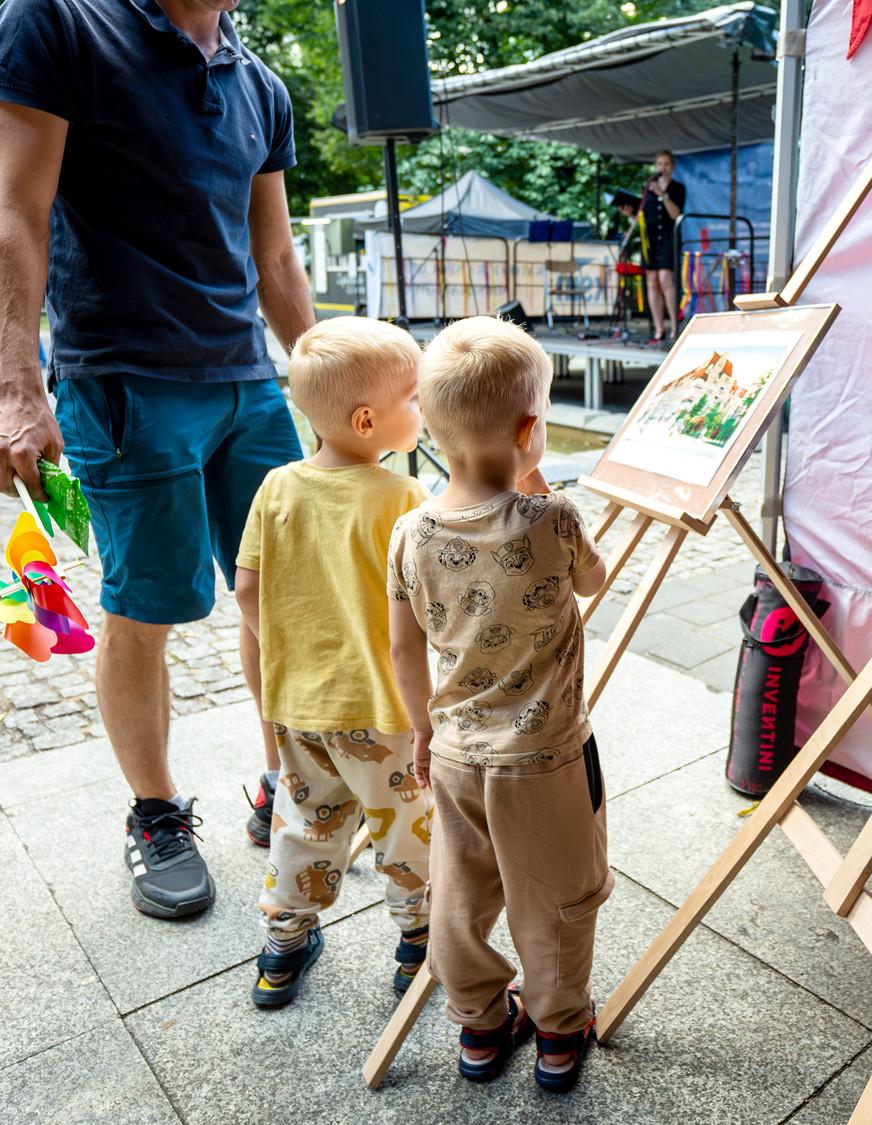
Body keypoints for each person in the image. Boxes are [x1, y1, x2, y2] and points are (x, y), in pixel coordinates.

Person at [0, 0, 314, 921]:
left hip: (246, 387)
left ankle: (286, 779)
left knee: (281, 595)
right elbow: (13, 212)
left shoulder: (261, 86)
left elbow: (273, 253)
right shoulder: (58, 22)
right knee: (146, 607)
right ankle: (156, 811)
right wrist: (15, 389)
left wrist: (327, 379)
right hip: (122, 382)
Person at [387, 318, 610, 1092]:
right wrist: (537, 482)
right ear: (529, 429)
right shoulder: (554, 518)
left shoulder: (410, 532)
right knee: (557, 899)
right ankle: (558, 1032)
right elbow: (594, 581)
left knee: (458, 893)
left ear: (429, 424)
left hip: (454, 753)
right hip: (546, 759)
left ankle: (481, 1026)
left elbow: (404, 650)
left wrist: (422, 731)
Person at [235, 316, 434, 1007]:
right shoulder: (403, 498)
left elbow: (247, 590)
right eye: (414, 398)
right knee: (405, 827)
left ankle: (282, 948)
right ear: (367, 420)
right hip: (383, 710)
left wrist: (290, 656)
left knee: (305, 824)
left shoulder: (275, 488)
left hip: (300, 708)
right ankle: (418, 944)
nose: (424, 408)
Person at [640, 149, 685, 345]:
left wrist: (662, 194)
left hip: (668, 237)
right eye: (659, 164)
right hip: (651, 240)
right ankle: (659, 329)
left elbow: (676, 215)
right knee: (652, 282)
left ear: (672, 166)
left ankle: (675, 326)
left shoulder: (678, 188)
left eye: (666, 164)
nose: (662, 168)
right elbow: (644, 215)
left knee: (666, 280)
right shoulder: (648, 189)